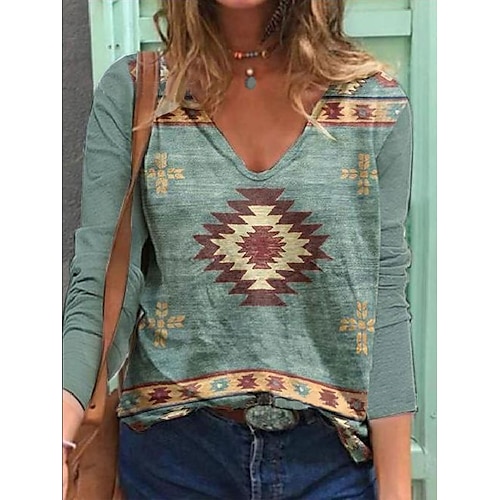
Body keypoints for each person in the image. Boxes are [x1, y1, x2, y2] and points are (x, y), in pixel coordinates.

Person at [63, 0, 417, 498]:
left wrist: (397, 489)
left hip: (330, 464)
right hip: (173, 461)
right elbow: (99, 284)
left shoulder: (376, 104)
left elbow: (384, 300)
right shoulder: (138, 93)